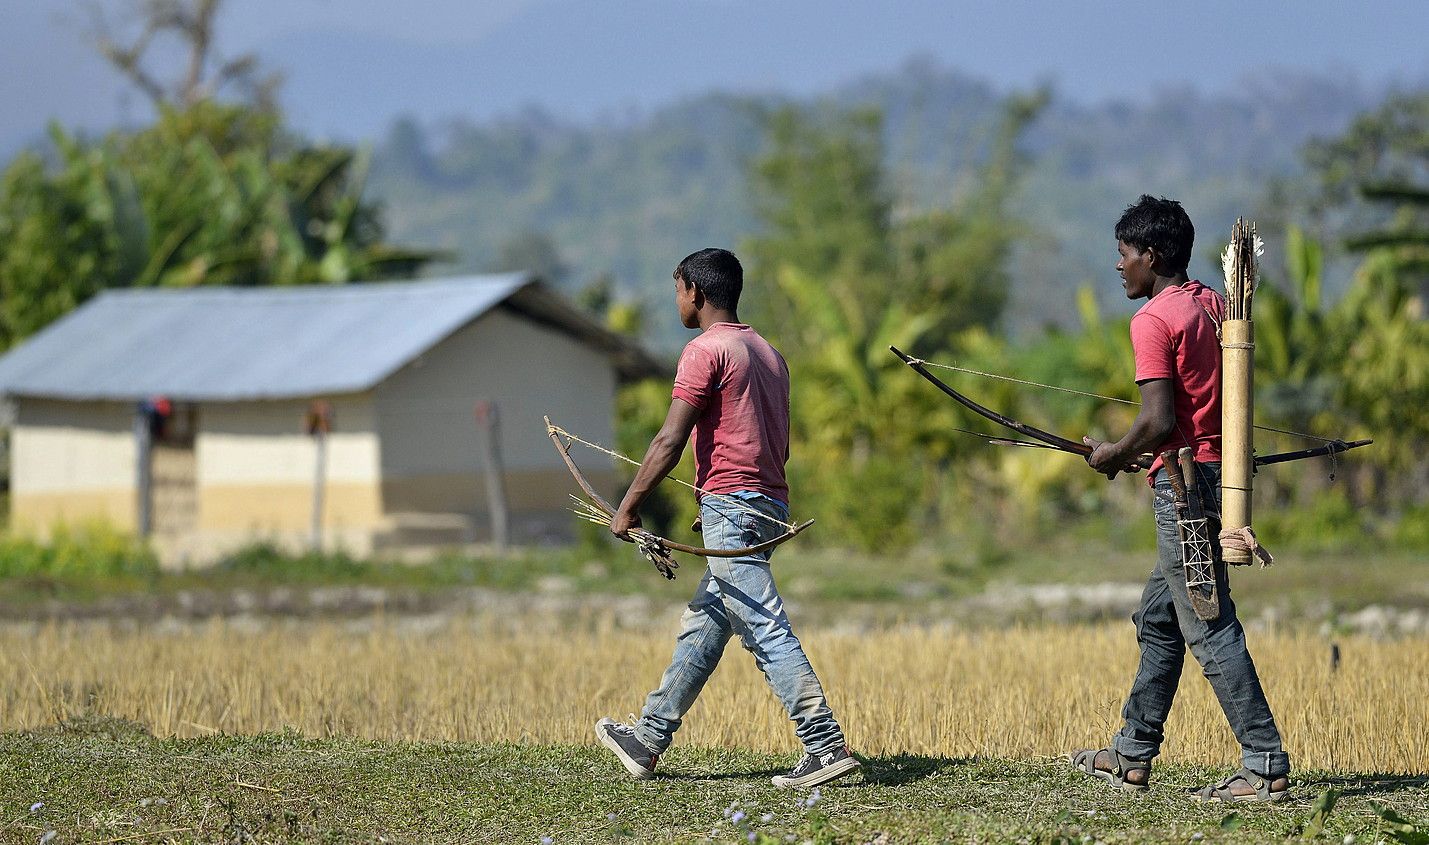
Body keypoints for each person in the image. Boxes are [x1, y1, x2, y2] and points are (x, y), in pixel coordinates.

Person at [593, 247, 859, 789]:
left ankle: (825, 745)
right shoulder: (767, 352)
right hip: (767, 504)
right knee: (708, 622)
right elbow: (767, 441)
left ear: (695, 291)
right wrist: (719, 503)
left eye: (676, 290)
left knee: (762, 622)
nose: (676, 301)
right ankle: (647, 738)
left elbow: (670, 437)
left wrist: (627, 509)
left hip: (735, 507)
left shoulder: (704, 350)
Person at [1070, 196, 1290, 803]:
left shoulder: (1152, 320)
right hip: (1220, 480)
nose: (1118, 267)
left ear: (1153, 256)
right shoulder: (1217, 305)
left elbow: (1161, 418)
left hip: (1185, 494)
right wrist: (1142, 447)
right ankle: (1133, 751)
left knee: (1208, 622)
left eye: (1124, 255)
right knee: (1160, 618)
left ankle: (1265, 761)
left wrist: (1114, 454)